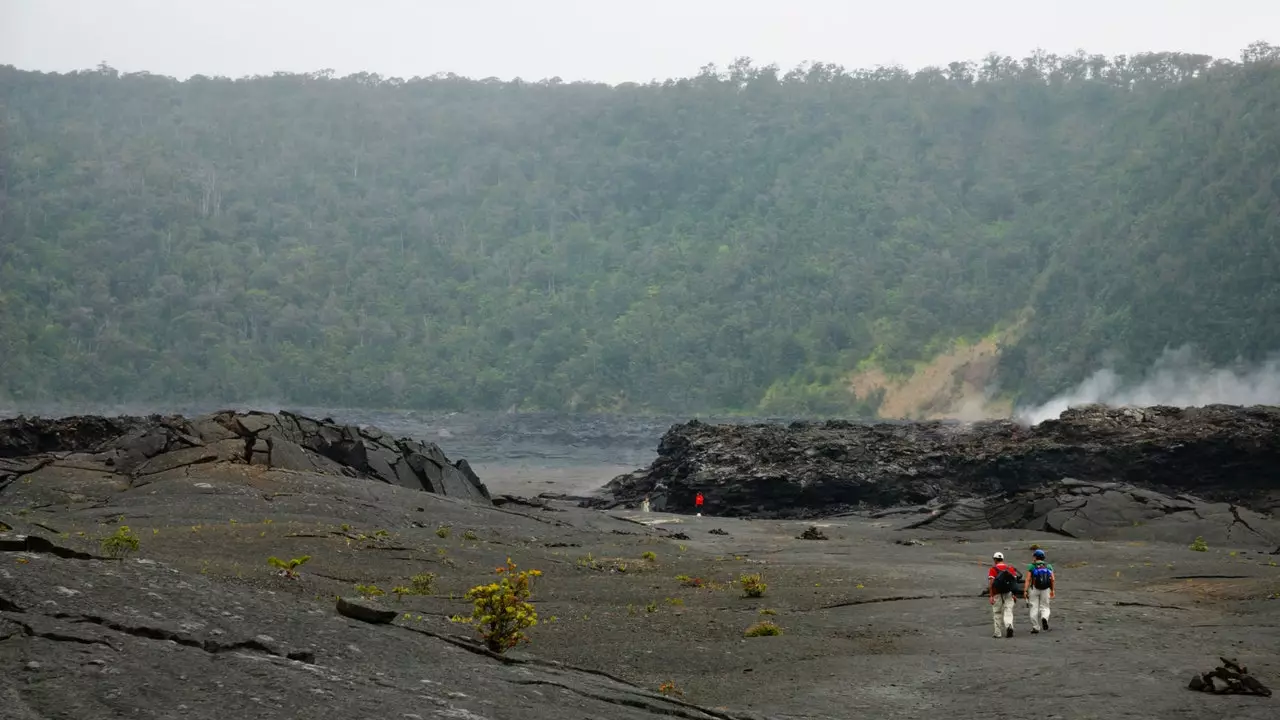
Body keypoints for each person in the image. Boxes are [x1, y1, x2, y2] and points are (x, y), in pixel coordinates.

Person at [987, 551, 1020, 638]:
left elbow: (991, 583)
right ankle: (1009, 625)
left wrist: (991, 595)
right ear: (1002, 559)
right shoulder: (1010, 568)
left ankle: (997, 633)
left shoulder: (993, 569)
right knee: (1008, 611)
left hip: (997, 594)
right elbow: (1014, 582)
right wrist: (1014, 594)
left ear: (995, 559)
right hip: (1009, 593)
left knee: (997, 613)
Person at [1024, 548, 1055, 633]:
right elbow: (1052, 579)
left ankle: (1036, 627)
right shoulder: (1048, 566)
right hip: (1045, 589)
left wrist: (1025, 590)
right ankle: (1044, 617)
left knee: (1034, 607)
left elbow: (1028, 579)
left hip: (1034, 589)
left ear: (1035, 557)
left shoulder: (1032, 566)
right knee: (1045, 606)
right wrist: (1052, 590)